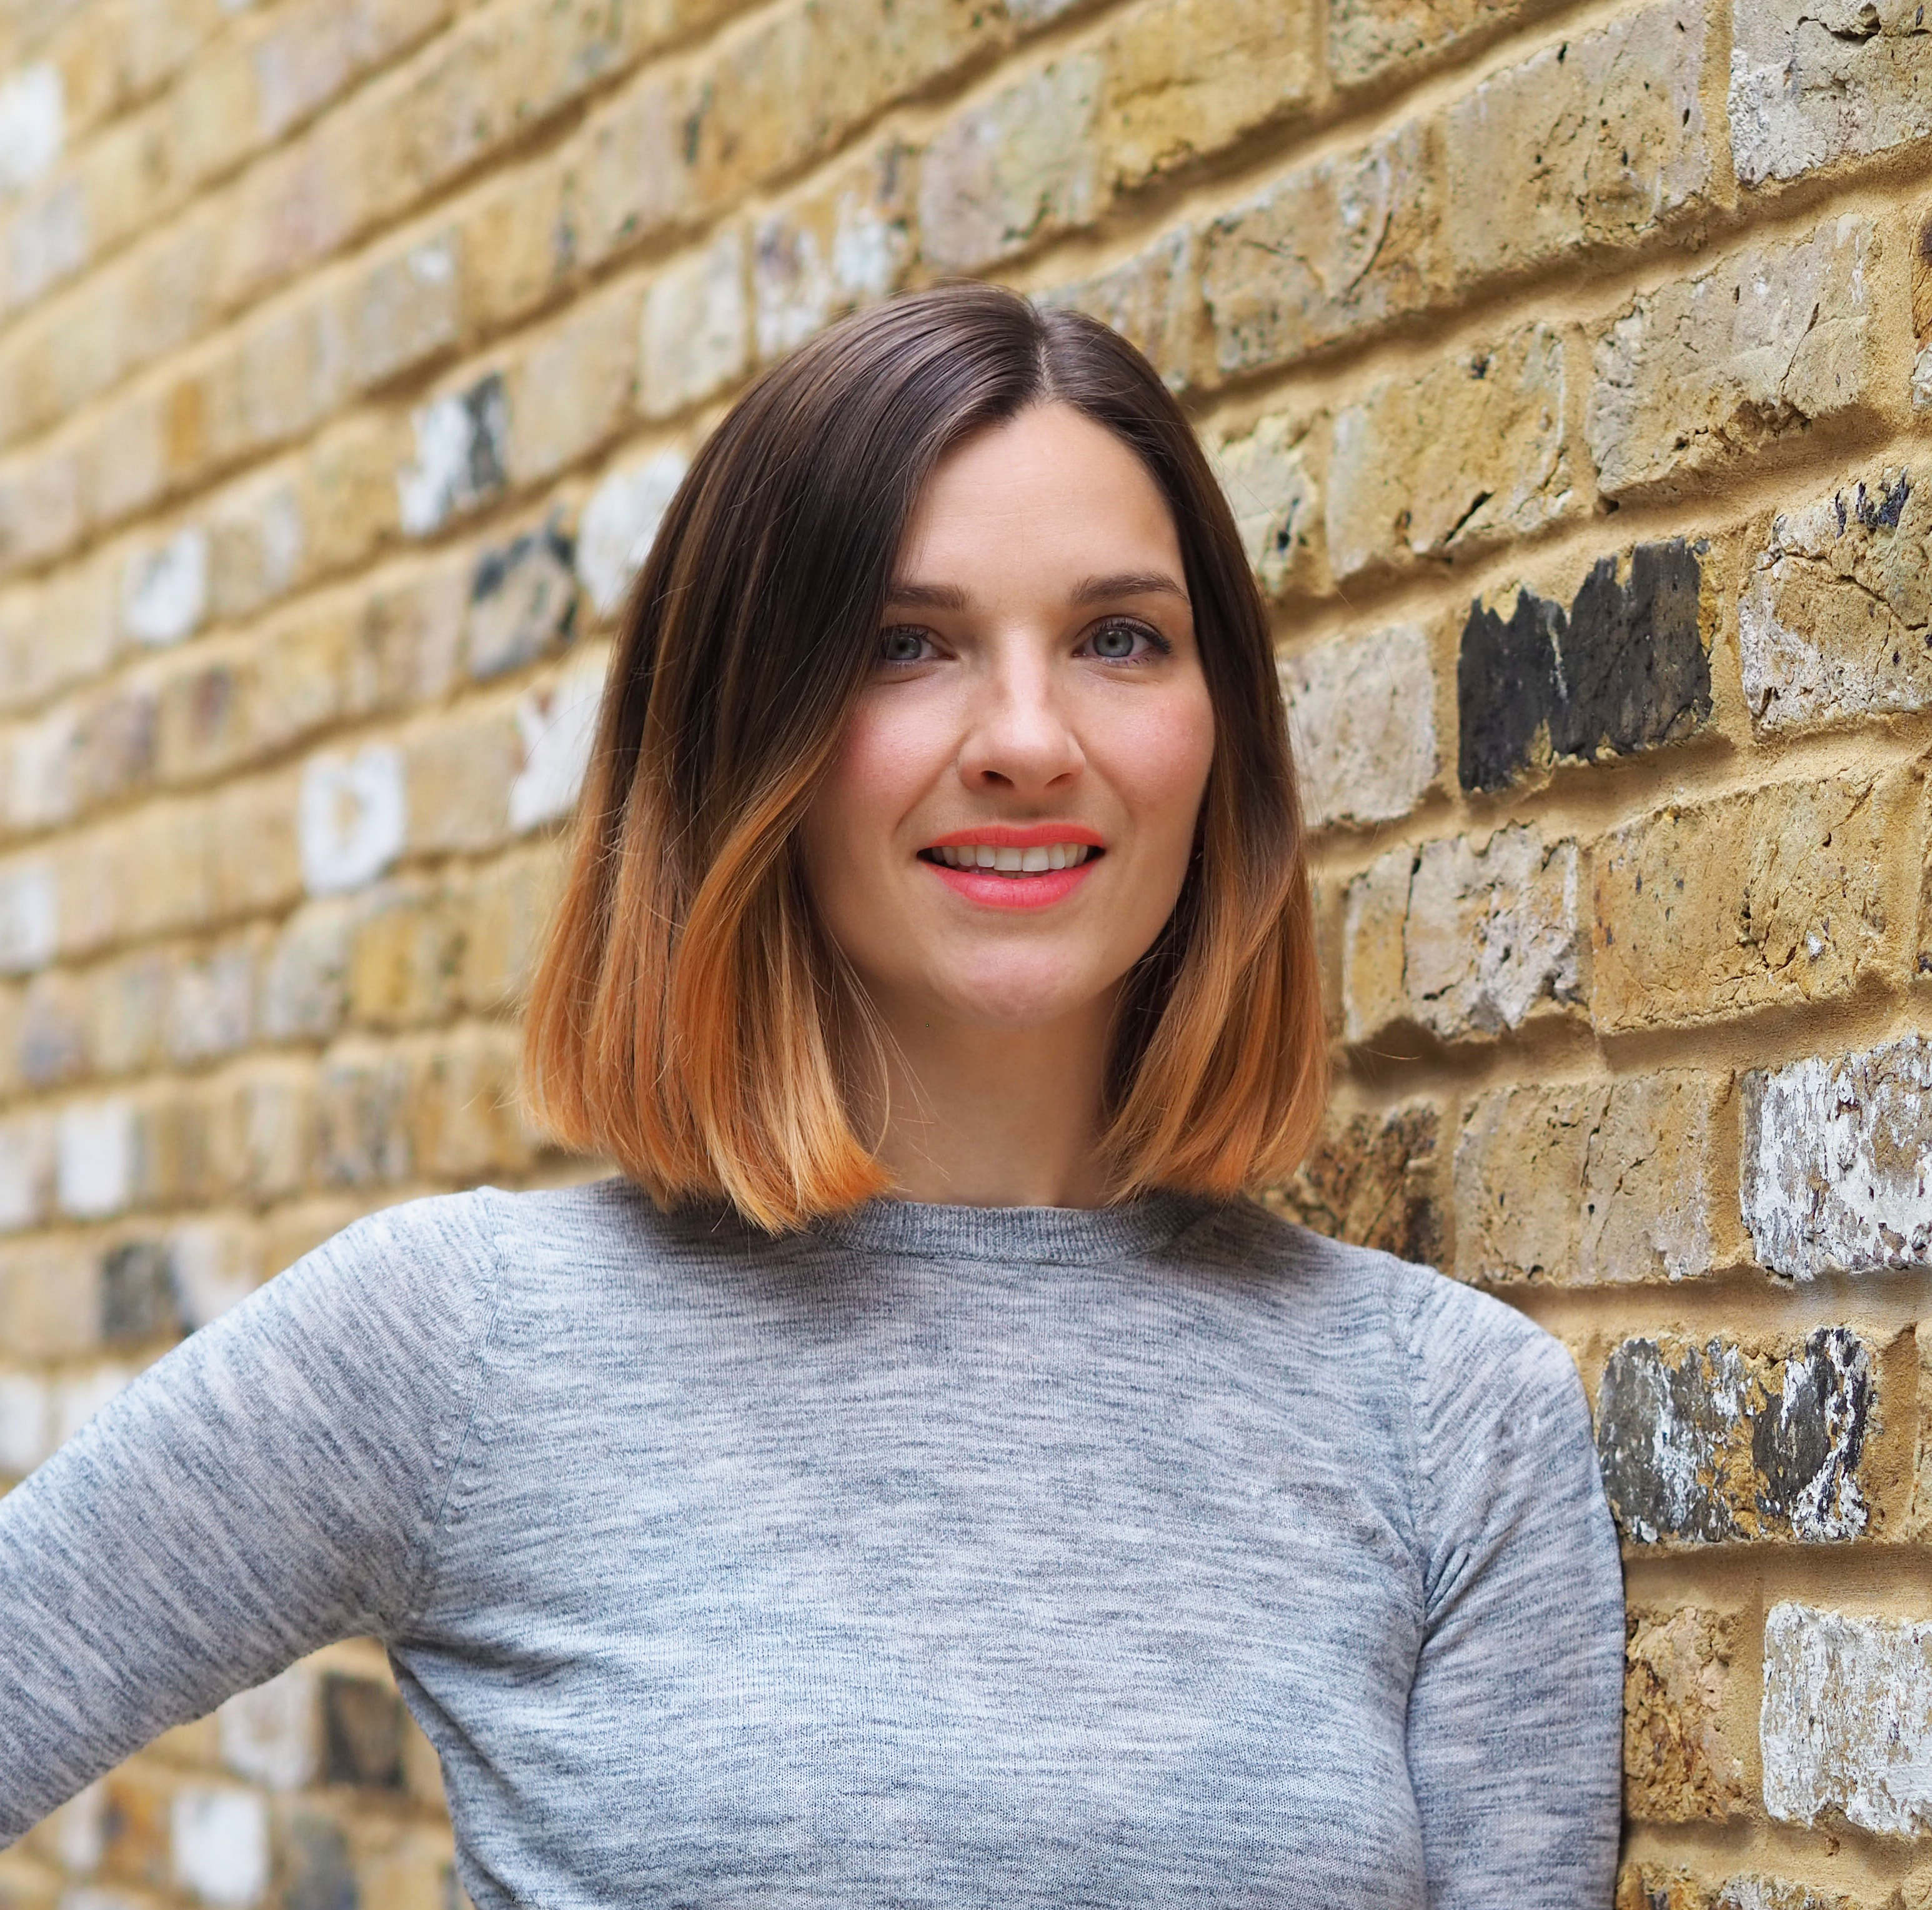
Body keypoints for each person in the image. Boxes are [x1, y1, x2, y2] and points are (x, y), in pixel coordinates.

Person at [0, 284, 1624, 1905]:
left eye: (1115, 637)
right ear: (737, 735)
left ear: (1222, 739)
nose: (1024, 736)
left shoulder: (1443, 1413)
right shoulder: (462, 1343)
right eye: (903, 645)